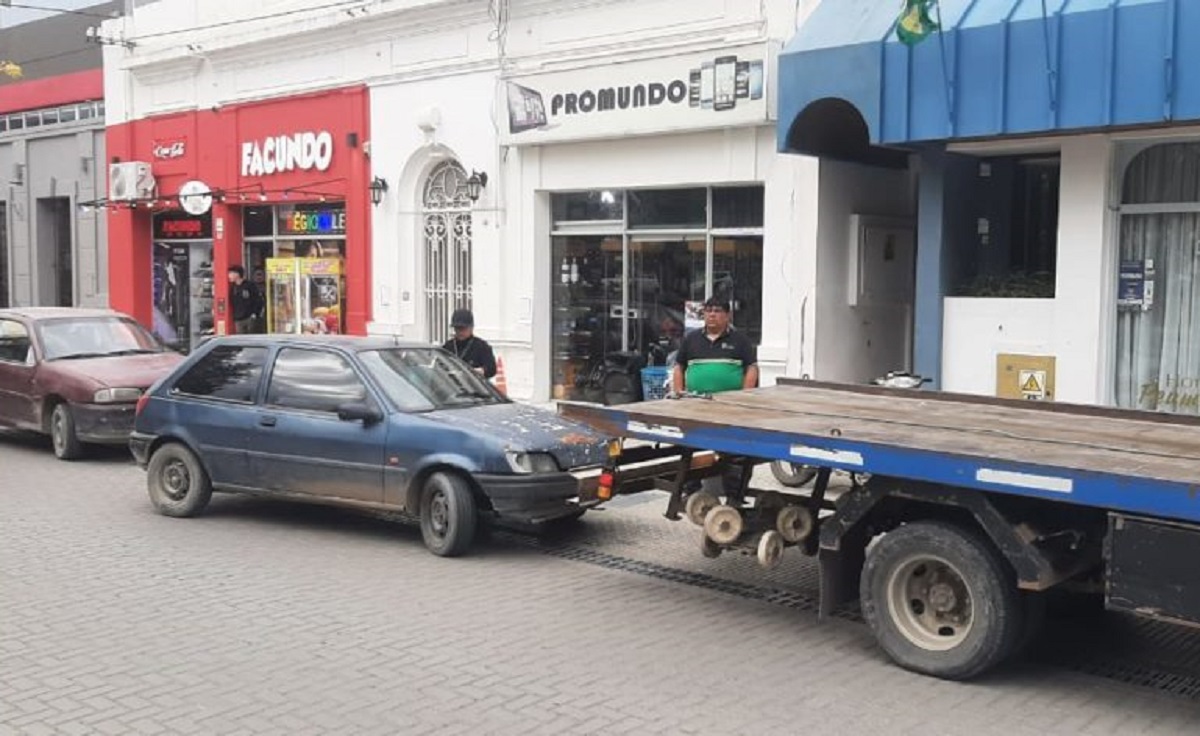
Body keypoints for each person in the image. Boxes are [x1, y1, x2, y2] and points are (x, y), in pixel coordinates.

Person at [671, 297, 758, 395]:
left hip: (731, 402)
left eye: (717, 311)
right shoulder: (691, 339)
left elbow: (752, 368)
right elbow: (679, 366)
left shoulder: (740, 340)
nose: (712, 314)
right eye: (708, 311)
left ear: (727, 315)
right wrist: (678, 392)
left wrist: (745, 394)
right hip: (695, 401)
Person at [442, 308, 497, 379]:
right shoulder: (448, 346)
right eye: (457, 328)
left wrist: (481, 371)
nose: (460, 332)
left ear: (471, 327)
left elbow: (492, 369)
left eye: (463, 328)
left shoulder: (482, 347)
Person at [228, 265, 264, 335]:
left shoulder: (250, 285)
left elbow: (258, 300)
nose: (229, 276)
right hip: (238, 319)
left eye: (230, 273)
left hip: (249, 318)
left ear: (237, 274)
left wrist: (255, 314)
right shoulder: (233, 288)